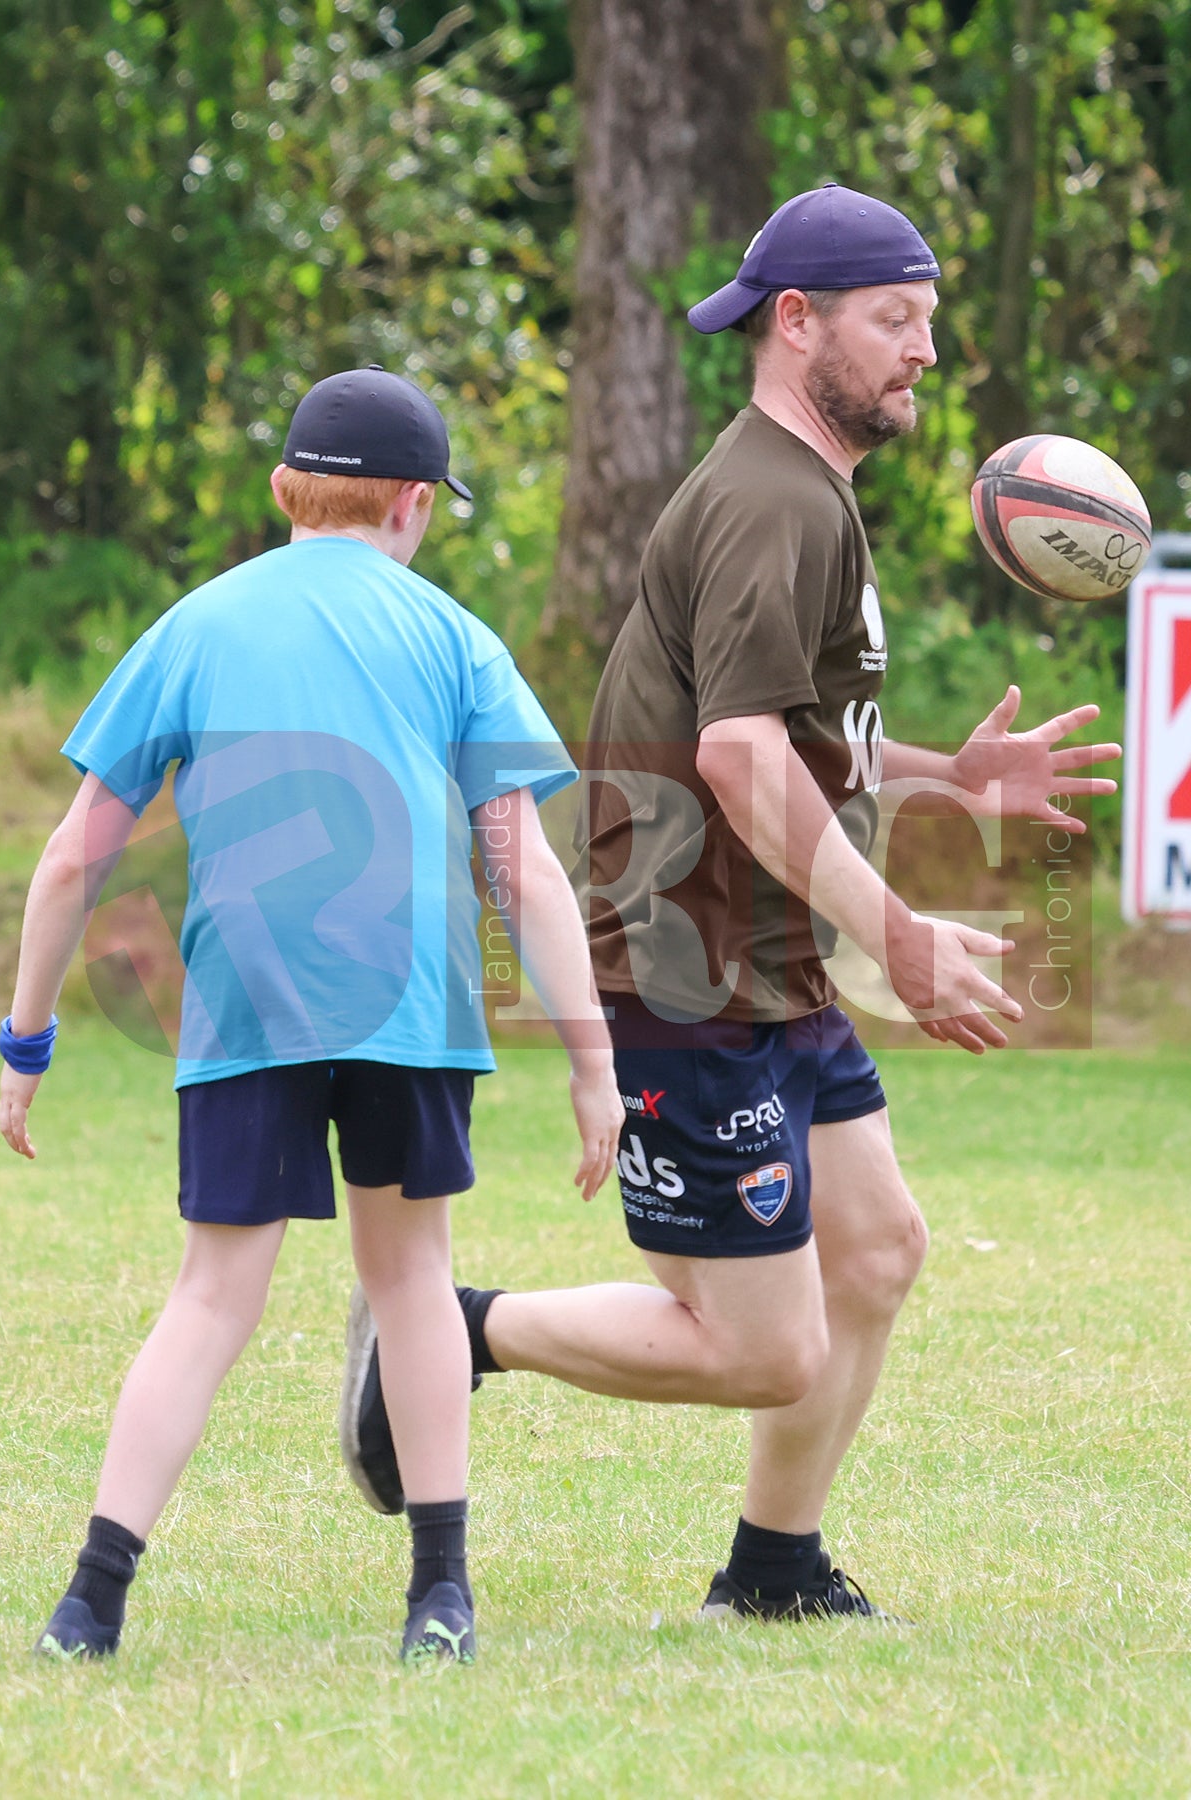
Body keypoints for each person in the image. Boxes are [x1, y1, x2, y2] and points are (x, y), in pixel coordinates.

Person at [340, 187, 1122, 1621]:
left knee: (878, 1252)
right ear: (798, 321)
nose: (926, 354)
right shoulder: (772, 496)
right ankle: (444, 1336)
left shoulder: (807, 491)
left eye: (930, 323)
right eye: (899, 321)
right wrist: (902, 935)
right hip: (686, 971)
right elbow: (738, 756)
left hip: (765, 963)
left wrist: (958, 776)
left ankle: (773, 1570)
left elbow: (793, 728)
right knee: (760, 1345)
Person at [0, 366, 622, 1665]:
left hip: (247, 1008)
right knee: (411, 1281)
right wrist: (591, 1061)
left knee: (213, 1296)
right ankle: (440, 1599)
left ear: (287, 492)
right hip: (410, 1005)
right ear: (410, 503)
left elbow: (70, 861)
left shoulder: (195, 624)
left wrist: (28, 1040)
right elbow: (525, 868)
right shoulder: (455, 639)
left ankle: (90, 1604)